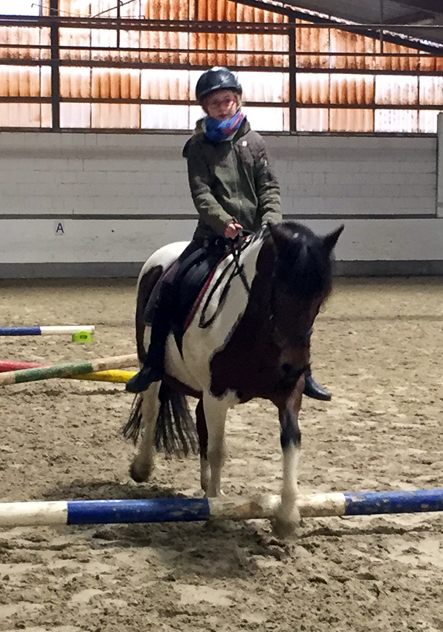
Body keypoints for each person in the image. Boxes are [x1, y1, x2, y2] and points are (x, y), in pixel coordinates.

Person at [125, 66, 331, 401]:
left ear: (237, 100)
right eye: (215, 103)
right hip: (212, 237)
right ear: (205, 108)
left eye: (228, 100)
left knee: (293, 297)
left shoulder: (255, 142)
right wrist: (222, 222)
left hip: (258, 236)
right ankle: (153, 364)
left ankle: (303, 373)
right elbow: (201, 192)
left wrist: (271, 225)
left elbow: (269, 188)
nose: (223, 107)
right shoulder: (197, 147)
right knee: (169, 284)